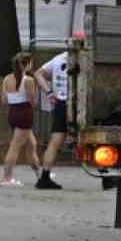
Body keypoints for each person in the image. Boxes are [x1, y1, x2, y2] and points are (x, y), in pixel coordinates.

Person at [34, 33, 83, 189]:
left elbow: (38, 74)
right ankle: (104, 171)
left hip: (61, 103)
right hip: (79, 103)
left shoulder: (57, 59)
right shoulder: (83, 59)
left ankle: (44, 177)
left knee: (55, 141)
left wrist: (49, 91)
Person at [0, 52, 40, 187]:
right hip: (24, 114)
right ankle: (7, 178)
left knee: (32, 144)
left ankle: (40, 173)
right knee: (15, 146)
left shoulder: (6, 79)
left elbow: (4, 101)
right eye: (31, 63)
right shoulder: (28, 80)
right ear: (26, 64)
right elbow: (33, 102)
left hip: (13, 113)